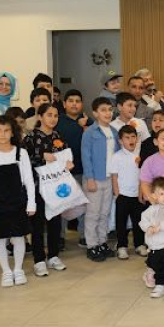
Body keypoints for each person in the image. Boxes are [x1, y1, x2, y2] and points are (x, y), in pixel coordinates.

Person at [0, 115, 36, 287]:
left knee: (19, 237)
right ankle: (6, 271)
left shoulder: (21, 153)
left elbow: (29, 180)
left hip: (18, 201)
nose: (2, 134)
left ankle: (18, 269)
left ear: (12, 133)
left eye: (6, 130)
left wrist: (31, 202)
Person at [23, 102, 70, 277]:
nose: (53, 118)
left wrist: (67, 162)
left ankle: (53, 256)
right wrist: (43, 157)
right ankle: (39, 260)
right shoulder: (30, 137)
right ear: (40, 116)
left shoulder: (58, 136)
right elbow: (24, 161)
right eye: (49, 115)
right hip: (37, 187)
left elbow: (65, 155)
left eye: (56, 115)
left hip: (56, 187)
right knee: (37, 225)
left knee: (55, 223)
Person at [81, 97, 120, 263]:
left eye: (110, 110)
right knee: (93, 214)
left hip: (110, 178)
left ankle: (102, 242)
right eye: (103, 110)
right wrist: (89, 178)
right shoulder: (90, 132)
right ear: (95, 113)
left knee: (105, 213)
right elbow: (86, 156)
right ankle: (92, 245)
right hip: (95, 179)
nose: (107, 113)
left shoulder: (114, 132)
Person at [56, 89, 91, 248]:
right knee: (62, 204)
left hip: (83, 170)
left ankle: (84, 235)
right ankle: (60, 236)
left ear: (82, 104)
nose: (74, 104)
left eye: (77, 101)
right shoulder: (58, 121)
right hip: (63, 171)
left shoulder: (88, 121)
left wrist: (84, 126)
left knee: (84, 204)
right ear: (64, 104)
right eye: (71, 101)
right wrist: (78, 126)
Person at [109, 125, 146, 260]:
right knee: (121, 223)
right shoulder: (117, 157)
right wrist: (117, 194)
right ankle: (122, 246)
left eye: (133, 137)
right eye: (127, 137)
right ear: (120, 141)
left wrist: (142, 192)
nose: (131, 140)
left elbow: (143, 176)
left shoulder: (141, 155)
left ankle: (139, 244)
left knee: (138, 221)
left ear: (137, 138)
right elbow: (114, 176)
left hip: (138, 195)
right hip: (123, 195)